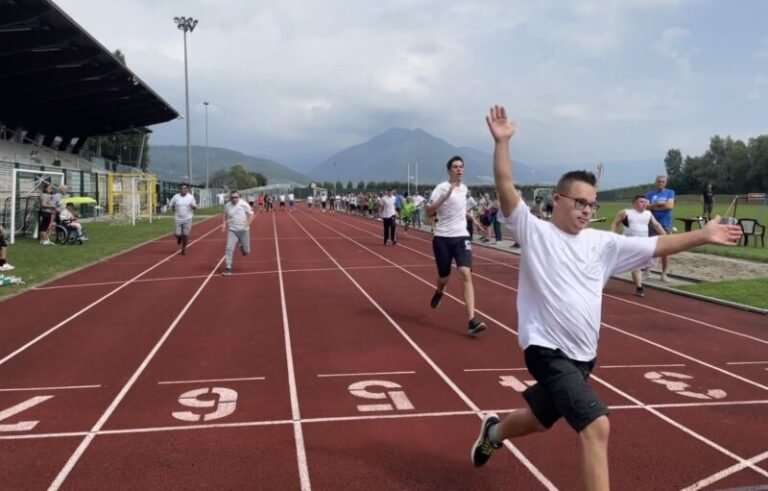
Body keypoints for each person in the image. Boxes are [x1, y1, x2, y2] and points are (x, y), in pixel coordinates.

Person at [471, 105, 743, 491]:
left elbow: (656, 245)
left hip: (584, 357)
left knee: (539, 419)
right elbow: (505, 187)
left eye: (592, 204)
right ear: (557, 200)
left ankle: (494, 433)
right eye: (580, 202)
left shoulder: (603, 244)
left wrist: (703, 235)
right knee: (596, 425)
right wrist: (502, 143)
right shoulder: (535, 232)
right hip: (546, 350)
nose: (587, 210)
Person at [425, 156, 487, 335]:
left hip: (461, 237)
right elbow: (428, 211)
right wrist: (444, 197)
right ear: (449, 170)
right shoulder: (441, 188)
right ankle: (440, 290)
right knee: (444, 277)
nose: (459, 169)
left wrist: (475, 221)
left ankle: (471, 321)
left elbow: (462, 211)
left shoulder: (465, 189)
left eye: (461, 167)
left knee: (465, 273)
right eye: (455, 167)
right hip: (442, 238)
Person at [610, 196, 665, 297]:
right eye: (641, 202)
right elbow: (615, 223)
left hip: (642, 243)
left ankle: (640, 285)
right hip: (628, 243)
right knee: (621, 264)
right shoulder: (626, 212)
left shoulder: (648, 214)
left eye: (645, 202)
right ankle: (602, 275)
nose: (644, 204)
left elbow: (656, 225)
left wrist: (665, 236)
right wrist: (611, 235)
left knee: (637, 266)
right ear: (634, 203)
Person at [646, 175, 676, 282]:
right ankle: (647, 270)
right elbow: (646, 207)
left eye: (663, 181)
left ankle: (664, 273)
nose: (660, 183)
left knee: (666, 249)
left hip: (665, 224)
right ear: (656, 182)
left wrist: (654, 206)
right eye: (659, 181)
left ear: (665, 183)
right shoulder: (650, 194)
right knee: (650, 248)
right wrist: (660, 204)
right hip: (652, 223)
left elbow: (670, 206)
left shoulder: (670, 192)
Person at [221, 190, 255, 276]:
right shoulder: (227, 206)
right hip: (232, 230)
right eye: (232, 197)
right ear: (230, 197)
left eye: (236, 197)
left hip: (244, 230)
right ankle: (228, 267)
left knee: (246, 252)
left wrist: (247, 224)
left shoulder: (244, 204)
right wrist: (224, 224)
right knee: (229, 248)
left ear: (239, 197)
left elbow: (252, 214)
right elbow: (224, 214)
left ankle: (241, 245)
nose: (234, 199)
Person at [168, 183, 197, 256]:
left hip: (188, 218)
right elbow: (171, 205)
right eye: (182, 188)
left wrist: (193, 207)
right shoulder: (176, 197)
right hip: (178, 218)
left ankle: (184, 248)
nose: (183, 190)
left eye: (185, 188)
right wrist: (172, 208)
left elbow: (195, 207)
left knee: (186, 234)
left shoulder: (190, 197)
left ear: (187, 189)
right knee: (177, 234)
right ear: (179, 189)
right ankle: (179, 237)